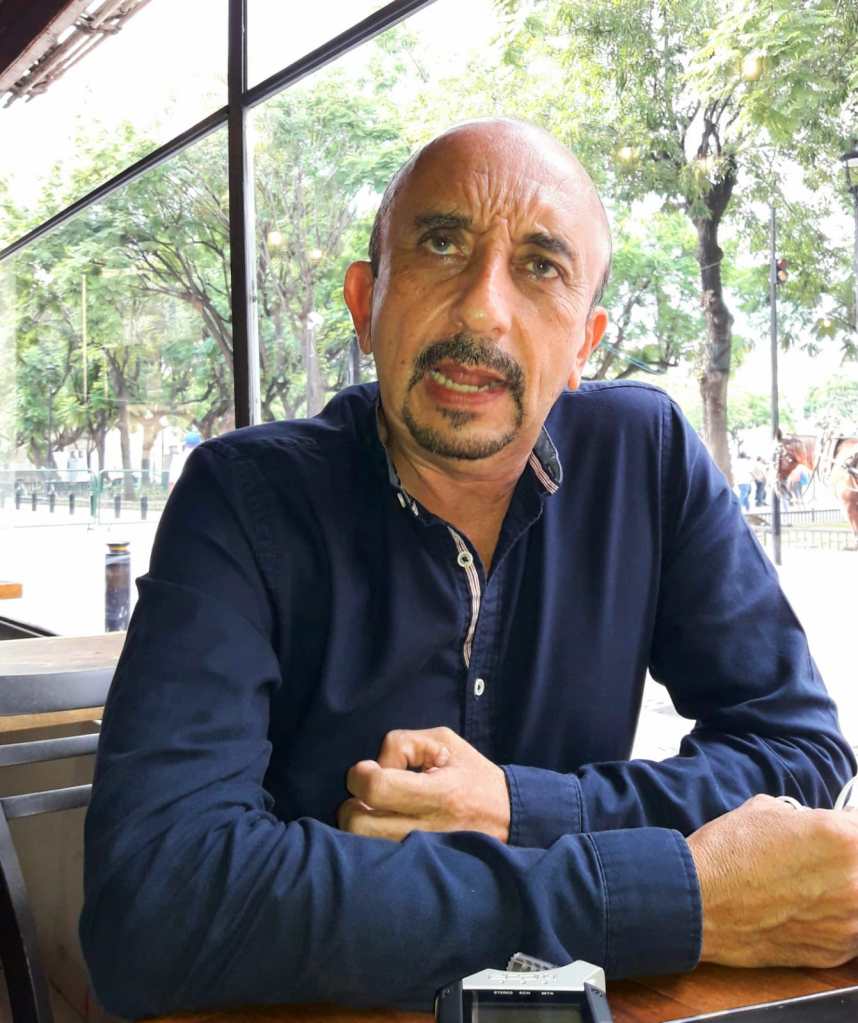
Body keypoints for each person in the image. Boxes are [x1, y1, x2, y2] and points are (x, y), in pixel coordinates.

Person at [80, 120, 858, 1020]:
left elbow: (798, 757)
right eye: (442, 244)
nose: (483, 309)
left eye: (540, 266)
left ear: (585, 344)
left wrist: (523, 808)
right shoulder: (242, 498)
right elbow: (155, 902)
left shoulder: (646, 459)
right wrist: (666, 898)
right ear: (365, 302)